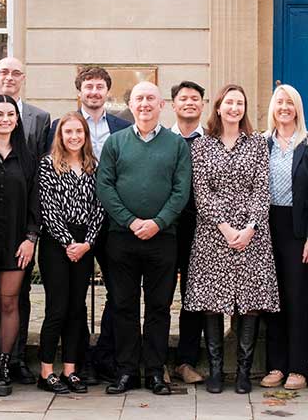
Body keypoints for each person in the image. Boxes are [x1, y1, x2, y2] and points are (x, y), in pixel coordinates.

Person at [95, 81, 191, 396]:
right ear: (131, 105)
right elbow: (105, 186)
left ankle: (154, 372)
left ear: (161, 104)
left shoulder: (176, 145)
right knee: (123, 305)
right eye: (139, 99)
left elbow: (181, 190)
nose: (145, 104)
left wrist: (159, 222)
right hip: (122, 238)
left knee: (159, 307)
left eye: (151, 98)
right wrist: (131, 220)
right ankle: (126, 372)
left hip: (163, 240)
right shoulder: (115, 142)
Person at [184, 84, 279, 395]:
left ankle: (242, 371)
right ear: (219, 107)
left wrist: (250, 226)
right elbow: (201, 191)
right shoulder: (201, 145)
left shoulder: (257, 144)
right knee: (212, 303)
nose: (234, 108)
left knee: (249, 304)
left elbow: (261, 189)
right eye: (229, 103)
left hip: (252, 236)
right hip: (213, 235)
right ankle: (214, 370)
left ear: (244, 108)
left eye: (240, 103)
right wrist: (224, 227)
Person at [0, 57, 51, 384]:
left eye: (10, 115)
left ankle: (4, 367)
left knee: (10, 304)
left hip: (18, 243)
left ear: (18, 120)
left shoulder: (29, 159)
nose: (5, 119)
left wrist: (31, 238)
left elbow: (36, 202)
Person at [48, 66, 132, 385]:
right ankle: (78, 359)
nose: (94, 92)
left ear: (107, 92)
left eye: (100, 87)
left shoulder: (123, 127)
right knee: (74, 296)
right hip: (74, 229)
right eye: (88, 86)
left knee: (119, 292)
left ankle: (106, 355)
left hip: (111, 222)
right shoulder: (60, 126)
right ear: (79, 91)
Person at [261, 84, 308, 391]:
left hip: (298, 229)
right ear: (272, 107)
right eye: (279, 102)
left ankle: (299, 368)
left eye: (290, 102)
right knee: (271, 299)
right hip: (265, 226)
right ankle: (276, 365)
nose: (284, 107)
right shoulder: (261, 143)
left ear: (298, 108)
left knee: (298, 298)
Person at [37, 112, 105, 394]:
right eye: (69, 132)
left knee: (77, 308)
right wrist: (68, 243)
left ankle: (70, 370)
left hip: (85, 244)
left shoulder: (93, 165)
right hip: (56, 243)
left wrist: (87, 243)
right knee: (57, 307)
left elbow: (100, 207)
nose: (74, 136)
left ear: (86, 136)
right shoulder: (48, 164)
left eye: (79, 131)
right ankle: (45, 372)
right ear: (60, 136)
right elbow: (48, 208)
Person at [168, 81, 207, 385]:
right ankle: (153, 358)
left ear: (203, 105)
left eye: (195, 98)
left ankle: (186, 360)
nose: (189, 103)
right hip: (166, 226)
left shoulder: (212, 142)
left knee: (194, 297)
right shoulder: (162, 140)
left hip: (203, 228)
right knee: (159, 294)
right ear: (173, 105)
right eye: (184, 98)